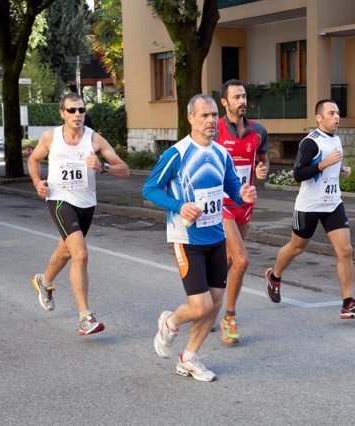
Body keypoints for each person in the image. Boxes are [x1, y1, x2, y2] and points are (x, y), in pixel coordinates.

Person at [142, 94, 257, 382]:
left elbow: (232, 188)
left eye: (212, 115)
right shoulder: (177, 154)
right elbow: (149, 189)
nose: (210, 121)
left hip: (216, 237)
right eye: (203, 115)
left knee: (215, 303)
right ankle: (170, 321)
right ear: (190, 118)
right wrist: (178, 206)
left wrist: (242, 196)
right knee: (200, 306)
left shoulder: (221, 154)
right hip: (187, 239)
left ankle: (188, 358)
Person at [27, 93, 130, 336]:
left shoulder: (93, 139)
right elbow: (33, 159)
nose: (77, 115)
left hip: (86, 203)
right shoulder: (51, 137)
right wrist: (36, 182)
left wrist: (102, 167)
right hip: (60, 200)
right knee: (80, 255)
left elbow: (124, 170)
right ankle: (85, 317)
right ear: (62, 113)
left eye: (81, 110)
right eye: (72, 110)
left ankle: (44, 281)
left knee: (65, 250)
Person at [264, 99, 355, 320]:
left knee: (345, 251)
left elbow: (327, 164)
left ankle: (348, 303)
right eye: (331, 113)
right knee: (296, 247)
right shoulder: (309, 142)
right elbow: (297, 174)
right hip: (309, 206)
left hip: (333, 203)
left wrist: (340, 168)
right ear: (319, 118)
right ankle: (274, 276)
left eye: (338, 113)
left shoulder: (336, 138)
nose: (336, 117)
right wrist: (324, 164)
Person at [214, 79, 269, 345]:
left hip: (245, 205)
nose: (242, 101)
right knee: (242, 260)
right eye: (236, 97)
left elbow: (263, 159)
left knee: (226, 262)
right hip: (221, 204)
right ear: (224, 102)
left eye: (244, 96)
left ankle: (207, 305)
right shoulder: (215, 130)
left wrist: (262, 170)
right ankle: (230, 316)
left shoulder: (258, 130)